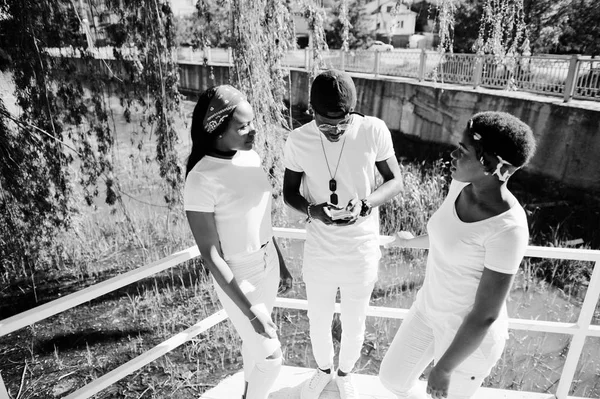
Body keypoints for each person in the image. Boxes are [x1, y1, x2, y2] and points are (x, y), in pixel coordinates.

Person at [379, 111, 537, 399]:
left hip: (468, 340)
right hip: (428, 312)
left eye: (463, 151)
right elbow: (452, 240)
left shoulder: (508, 229)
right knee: (392, 378)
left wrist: (444, 368)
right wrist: (411, 242)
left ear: (489, 163)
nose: (452, 154)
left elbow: (486, 314)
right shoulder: (462, 185)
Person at [283, 69, 403, 399]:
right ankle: (323, 371)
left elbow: (395, 180)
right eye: (326, 123)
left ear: (352, 111)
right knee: (317, 319)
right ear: (312, 111)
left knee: (355, 321)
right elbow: (289, 191)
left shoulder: (373, 130)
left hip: (361, 248)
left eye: (342, 122)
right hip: (319, 249)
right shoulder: (298, 139)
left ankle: (346, 374)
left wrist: (367, 204)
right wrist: (313, 210)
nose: (334, 130)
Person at [184, 85, 293, 399]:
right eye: (242, 126)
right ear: (217, 130)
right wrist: (249, 311)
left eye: (252, 122)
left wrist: (280, 261)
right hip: (238, 275)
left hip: (268, 262)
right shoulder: (201, 178)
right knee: (272, 358)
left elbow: (260, 218)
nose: (253, 130)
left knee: (254, 346)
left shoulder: (250, 157)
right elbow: (211, 255)